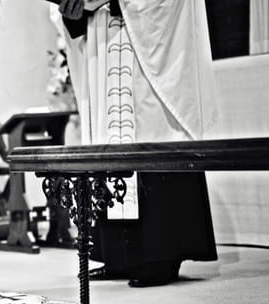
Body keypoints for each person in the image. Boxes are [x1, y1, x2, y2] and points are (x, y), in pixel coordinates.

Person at [50, 0, 218, 287]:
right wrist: (73, 10)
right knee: (110, 141)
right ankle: (119, 257)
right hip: (103, 41)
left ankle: (160, 256)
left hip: (148, 52)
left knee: (150, 136)